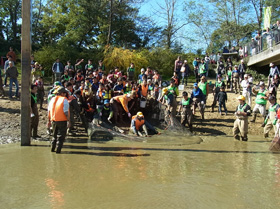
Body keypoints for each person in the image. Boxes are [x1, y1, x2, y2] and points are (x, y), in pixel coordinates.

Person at [48, 87, 70, 153]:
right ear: (63, 93)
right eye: (65, 93)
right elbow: (66, 112)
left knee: (54, 136)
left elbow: (49, 111)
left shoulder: (52, 99)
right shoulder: (64, 100)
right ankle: (58, 151)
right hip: (62, 120)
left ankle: (52, 149)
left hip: (53, 120)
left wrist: (48, 121)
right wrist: (69, 121)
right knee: (61, 137)